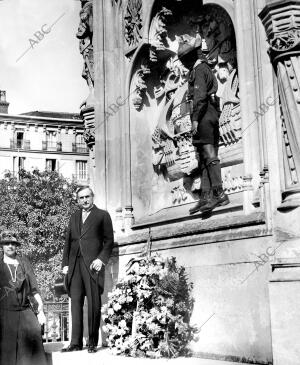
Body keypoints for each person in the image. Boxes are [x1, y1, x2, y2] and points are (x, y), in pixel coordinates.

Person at [178, 37, 229, 214]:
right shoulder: (197, 69)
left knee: (209, 153)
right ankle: (206, 196)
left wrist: (195, 120)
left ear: (190, 57)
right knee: (202, 157)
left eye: (184, 59)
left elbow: (199, 97)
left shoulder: (200, 69)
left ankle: (219, 193)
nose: (183, 63)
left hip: (205, 115)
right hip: (203, 115)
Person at [62, 186, 114, 353]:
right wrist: (65, 264)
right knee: (75, 303)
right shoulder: (74, 216)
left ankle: (92, 342)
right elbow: (68, 242)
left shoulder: (102, 215)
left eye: (87, 197)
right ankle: (75, 343)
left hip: (92, 265)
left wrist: (101, 259)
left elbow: (109, 241)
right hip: (74, 265)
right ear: (77, 200)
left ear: (93, 197)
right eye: (81, 198)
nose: (84, 200)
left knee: (93, 303)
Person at [0, 231, 47, 365]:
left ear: (17, 246)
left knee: (34, 332)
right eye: (6, 243)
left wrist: (41, 310)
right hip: (5, 312)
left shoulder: (24, 262)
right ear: (2, 246)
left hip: (25, 310)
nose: (10, 246)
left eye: (13, 244)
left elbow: (34, 288)